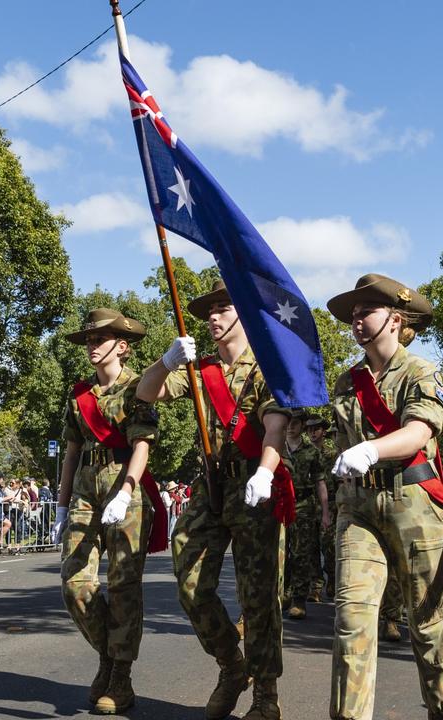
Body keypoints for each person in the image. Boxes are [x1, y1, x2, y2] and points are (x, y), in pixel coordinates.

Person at [324, 273, 443, 720]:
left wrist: (372, 448)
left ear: (395, 319)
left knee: (429, 624)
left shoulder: (421, 371)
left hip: (414, 506)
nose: (357, 322)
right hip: (358, 509)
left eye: (366, 313)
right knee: (351, 621)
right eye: (353, 316)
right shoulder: (346, 381)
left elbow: (419, 430)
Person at [136, 280, 291, 720]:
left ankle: (265, 697)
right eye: (209, 311)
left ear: (244, 313)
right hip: (211, 486)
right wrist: (166, 362)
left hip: (254, 485)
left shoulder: (267, 367)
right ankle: (231, 664)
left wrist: (265, 470)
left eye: (223, 307)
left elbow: (275, 425)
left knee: (259, 598)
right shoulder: (199, 371)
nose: (213, 317)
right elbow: (144, 393)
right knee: (189, 584)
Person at [50, 308, 162, 715]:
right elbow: (71, 450)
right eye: (89, 341)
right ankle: (110, 656)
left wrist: (127, 488)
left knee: (123, 586)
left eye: (100, 340)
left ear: (122, 346)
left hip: (124, 489)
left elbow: (142, 444)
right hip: (84, 489)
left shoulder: (139, 388)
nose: (92, 347)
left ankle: (120, 677)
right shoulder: (80, 395)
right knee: (74, 583)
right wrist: (61, 505)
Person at [282, 410, 330, 621]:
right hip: (279, 505)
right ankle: (284, 593)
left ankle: (299, 599)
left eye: (295, 423)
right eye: (288, 423)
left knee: (302, 553)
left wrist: (325, 512)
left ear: (301, 426)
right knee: (280, 553)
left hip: (303, 505)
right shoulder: (274, 448)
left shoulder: (312, 452)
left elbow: (320, 482)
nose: (291, 426)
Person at [306, 415, 339, 601]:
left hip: (330, 505)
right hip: (309, 505)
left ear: (323, 431)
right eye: (309, 429)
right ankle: (315, 587)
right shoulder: (305, 453)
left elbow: (338, 481)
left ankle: (333, 582)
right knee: (311, 547)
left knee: (329, 547)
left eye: (316, 429)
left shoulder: (332, 454)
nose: (312, 432)